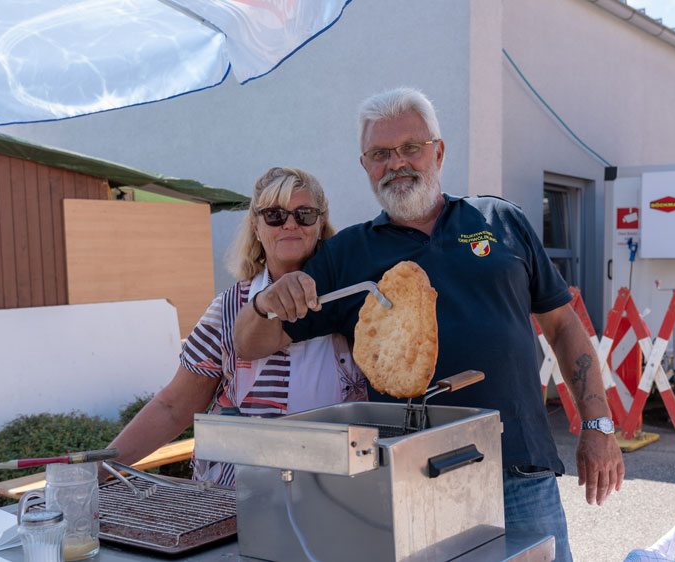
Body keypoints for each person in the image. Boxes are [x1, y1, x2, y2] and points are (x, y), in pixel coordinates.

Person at [234, 87, 624, 561]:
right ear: (365, 166)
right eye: (380, 153)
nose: (397, 162)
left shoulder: (501, 220)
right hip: (411, 480)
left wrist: (598, 423)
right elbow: (252, 344)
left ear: (438, 152)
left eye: (411, 147)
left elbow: (563, 326)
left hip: (519, 470)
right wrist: (264, 305)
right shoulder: (348, 254)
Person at [102, 167, 367, 487]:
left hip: (334, 491)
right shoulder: (228, 309)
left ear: (320, 224)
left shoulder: (353, 299)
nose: (290, 224)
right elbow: (173, 407)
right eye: (275, 215)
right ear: (256, 227)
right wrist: (99, 470)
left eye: (305, 214)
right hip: (238, 498)